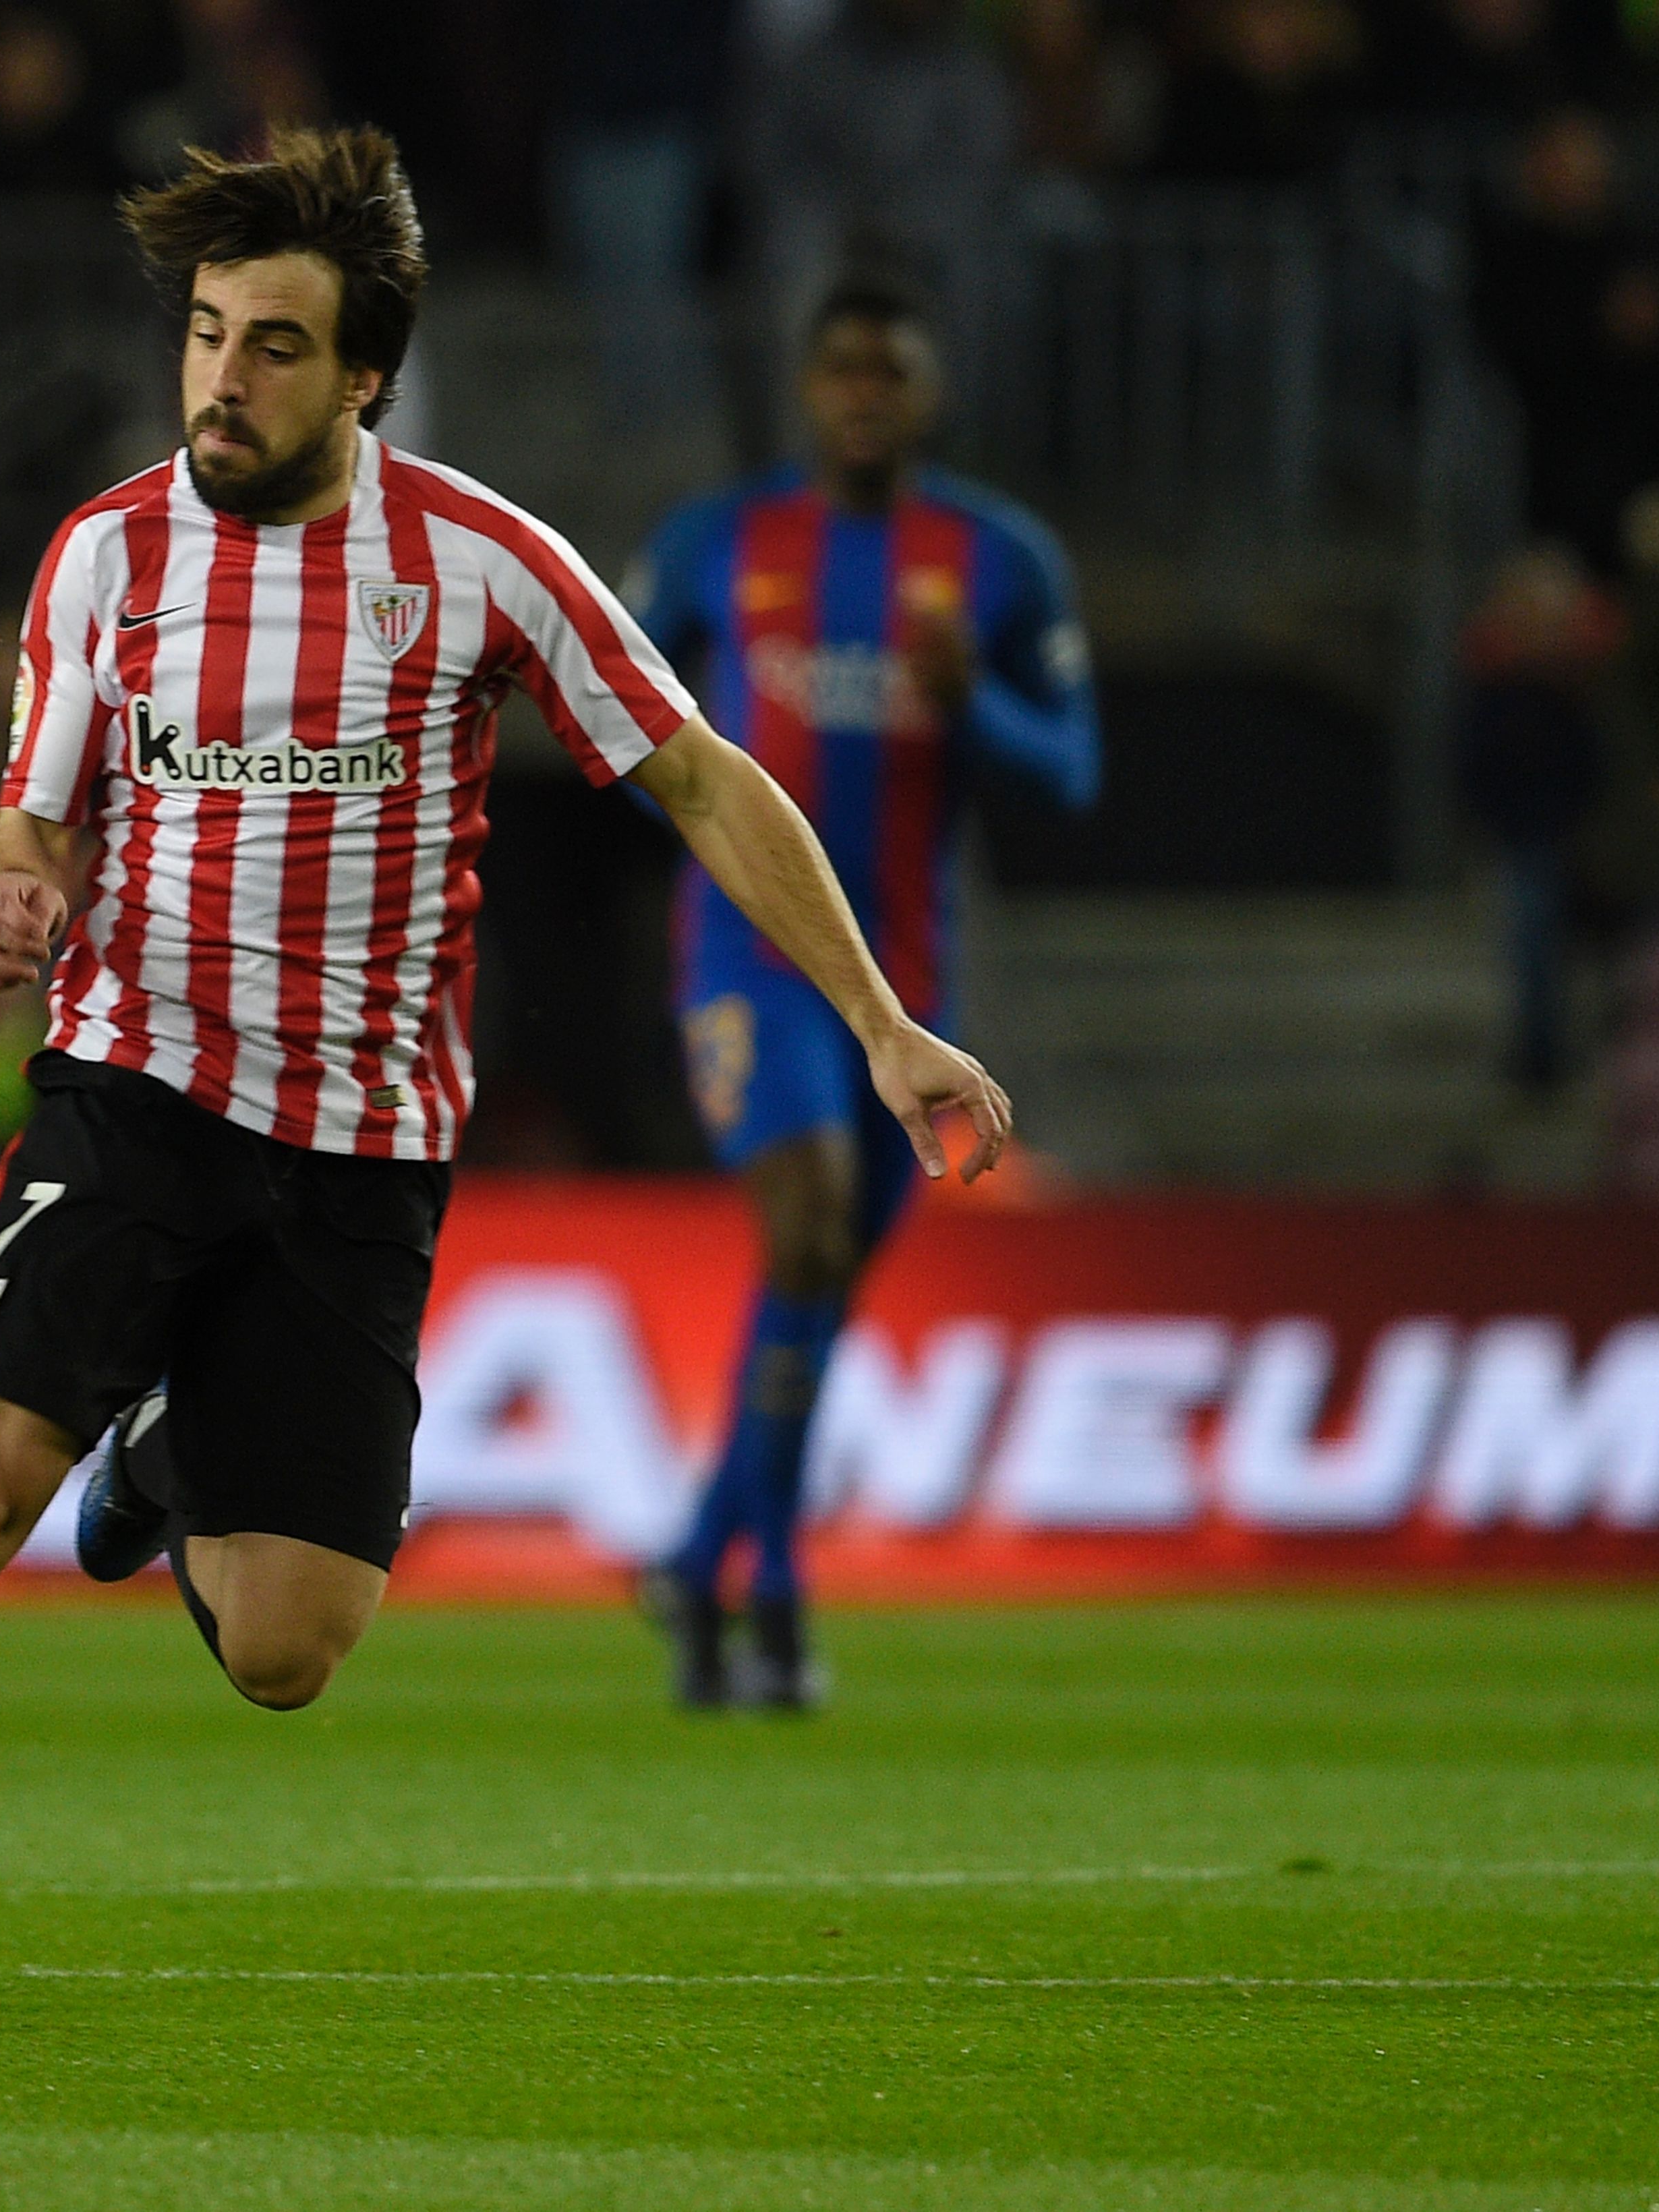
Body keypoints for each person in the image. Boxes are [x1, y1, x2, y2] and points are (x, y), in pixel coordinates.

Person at [0, 131, 1016, 1962]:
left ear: (367, 370)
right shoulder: (104, 557)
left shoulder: (480, 562)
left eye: (278, 345)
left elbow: (699, 773)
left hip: (358, 1152)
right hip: (130, 1089)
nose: (224, 378)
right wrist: (12, 880)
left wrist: (883, 1026)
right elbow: (35, 821)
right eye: (209, 333)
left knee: (292, 1652)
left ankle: (156, 1456)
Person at [629, 276, 1097, 1710]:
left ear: (924, 391)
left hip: (912, 989)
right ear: (808, 385)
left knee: (815, 1286)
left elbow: (1073, 774)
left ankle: (700, 1556)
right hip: (742, 965)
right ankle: (770, 1592)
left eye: (889, 371)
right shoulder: (713, 543)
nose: (862, 394)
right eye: (841, 368)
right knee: (813, 1225)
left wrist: (978, 705)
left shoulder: (1000, 557)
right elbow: (620, 727)